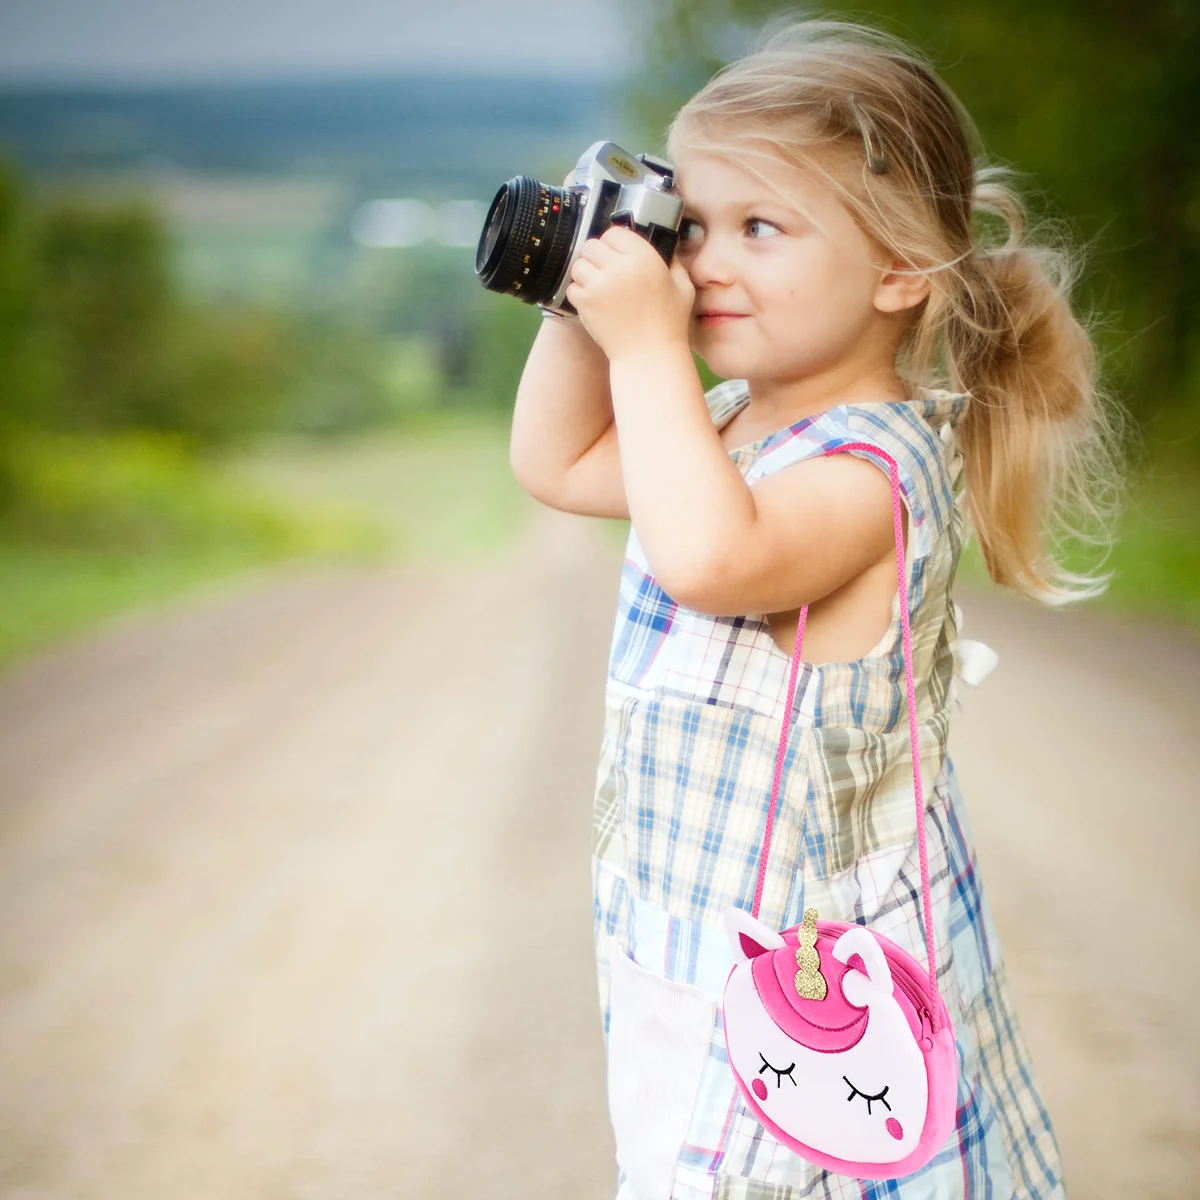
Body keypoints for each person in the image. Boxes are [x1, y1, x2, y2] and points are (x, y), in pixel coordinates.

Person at [509, 16, 1117, 1200]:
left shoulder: (874, 471)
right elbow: (561, 464)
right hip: (691, 942)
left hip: (824, 990)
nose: (704, 265)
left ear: (898, 272)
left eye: (760, 229)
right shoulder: (730, 417)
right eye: (693, 227)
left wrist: (649, 347)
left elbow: (710, 559)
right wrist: (583, 307)